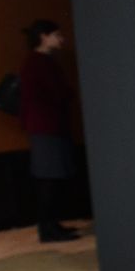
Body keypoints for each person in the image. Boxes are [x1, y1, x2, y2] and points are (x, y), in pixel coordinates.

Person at [19, 19, 82, 243]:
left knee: (51, 179)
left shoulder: (39, 62)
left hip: (47, 127)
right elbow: (58, 93)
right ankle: (48, 228)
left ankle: (51, 226)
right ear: (44, 37)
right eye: (56, 34)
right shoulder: (39, 63)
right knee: (49, 179)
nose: (60, 39)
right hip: (47, 128)